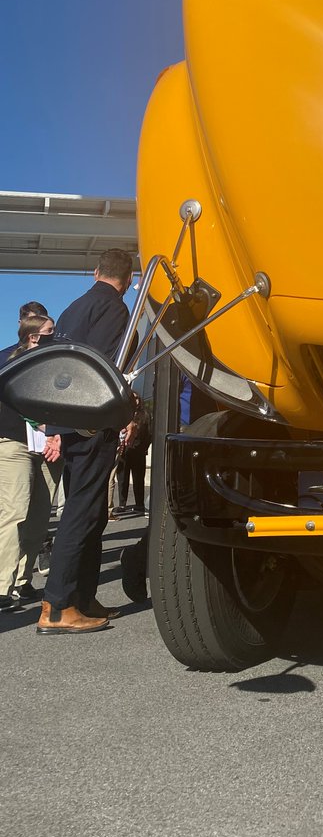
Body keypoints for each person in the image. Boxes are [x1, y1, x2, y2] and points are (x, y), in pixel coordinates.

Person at [37, 249, 135, 635]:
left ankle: (83, 598)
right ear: (126, 281)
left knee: (90, 512)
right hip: (92, 424)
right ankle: (58, 606)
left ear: (96, 272)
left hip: (66, 421)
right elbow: (105, 368)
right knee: (82, 512)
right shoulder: (115, 310)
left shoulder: (72, 310)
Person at [1, 317, 62, 611]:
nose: (56, 335)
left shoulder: (58, 363)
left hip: (50, 448)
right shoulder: (7, 361)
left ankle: (24, 580)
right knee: (14, 512)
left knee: (39, 516)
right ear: (34, 337)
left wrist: (57, 433)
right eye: (51, 332)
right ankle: (2, 584)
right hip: (14, 444)